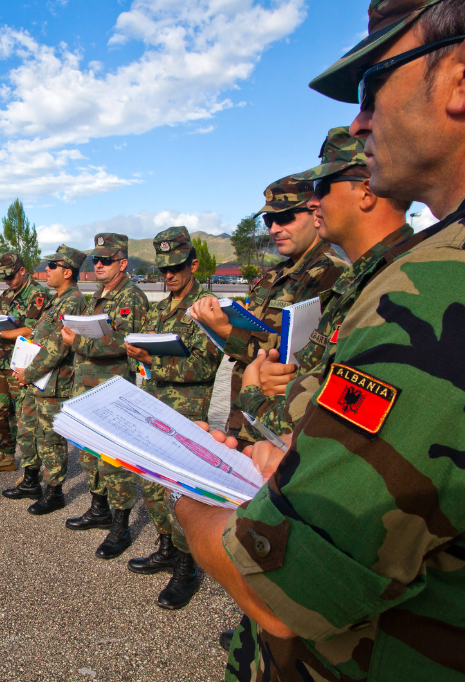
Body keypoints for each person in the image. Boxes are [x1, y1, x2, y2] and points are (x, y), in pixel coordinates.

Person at [175, 1, 465, 679]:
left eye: (373, 88)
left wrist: (194, 503)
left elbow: (290, 591)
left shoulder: (438, 285)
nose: (361, 122)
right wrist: (294, 464)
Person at [238, 127, 414, 437]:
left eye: (323, 188)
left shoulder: (399, 284)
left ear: (367, 191)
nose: (314, 202)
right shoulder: (361, 280)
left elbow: (346, 417)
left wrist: (252, 391)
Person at [188, 175, 347, 449]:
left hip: (282, 427)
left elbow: (293, 359)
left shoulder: (330, 273)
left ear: (315, 213)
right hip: (244, 418)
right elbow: (255, 333)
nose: (274, 229)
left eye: (285, 217)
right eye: (268, 221)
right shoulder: (273, 275)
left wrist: (226, 330)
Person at [123, 226, 223, 610]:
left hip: (186, 413)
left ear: (193, 264)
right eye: (164, 268)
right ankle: (166, 546)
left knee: (179, 492)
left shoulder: (206, 306)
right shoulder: (161, 306)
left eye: (176, 267)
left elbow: (204, 365)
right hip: (154, 405)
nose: (169, 275)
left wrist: (153, 360)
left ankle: (187, 567)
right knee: (151, 485)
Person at [61, 233, 149, 559]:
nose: (98, 264)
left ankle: (121, 524)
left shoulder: (132, 297)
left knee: (114, 461)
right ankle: (99, 508)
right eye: (95, 260)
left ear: (122, 263)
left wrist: (77, 342)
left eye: (105, 260)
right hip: (86, 389)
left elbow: (125, 344)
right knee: (88, 455)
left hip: (111, 392)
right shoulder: (97, 294)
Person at [5, 245, 87, 514]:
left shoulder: (73, 301)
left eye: (52, 267)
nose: (46, 271)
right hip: (36, 380)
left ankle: (55, 492)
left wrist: (27, 373)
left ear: (67, 271)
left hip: (54, 384)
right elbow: (39, 340)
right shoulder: (56, 300)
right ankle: (31, 480)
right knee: (28, 430)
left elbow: (57, 348)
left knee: (50, 439)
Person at [0, 252, 48, 474]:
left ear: (22, 270)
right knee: (1, 410)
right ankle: (6, 456)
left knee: (25, 416)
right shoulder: (6, 295)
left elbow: (31, 330)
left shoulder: (38, 294)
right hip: (4, 363)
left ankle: (32, 469)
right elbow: (2, 325)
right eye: (4, 277)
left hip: (25, 364)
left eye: (10, 276)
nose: (7, 281)